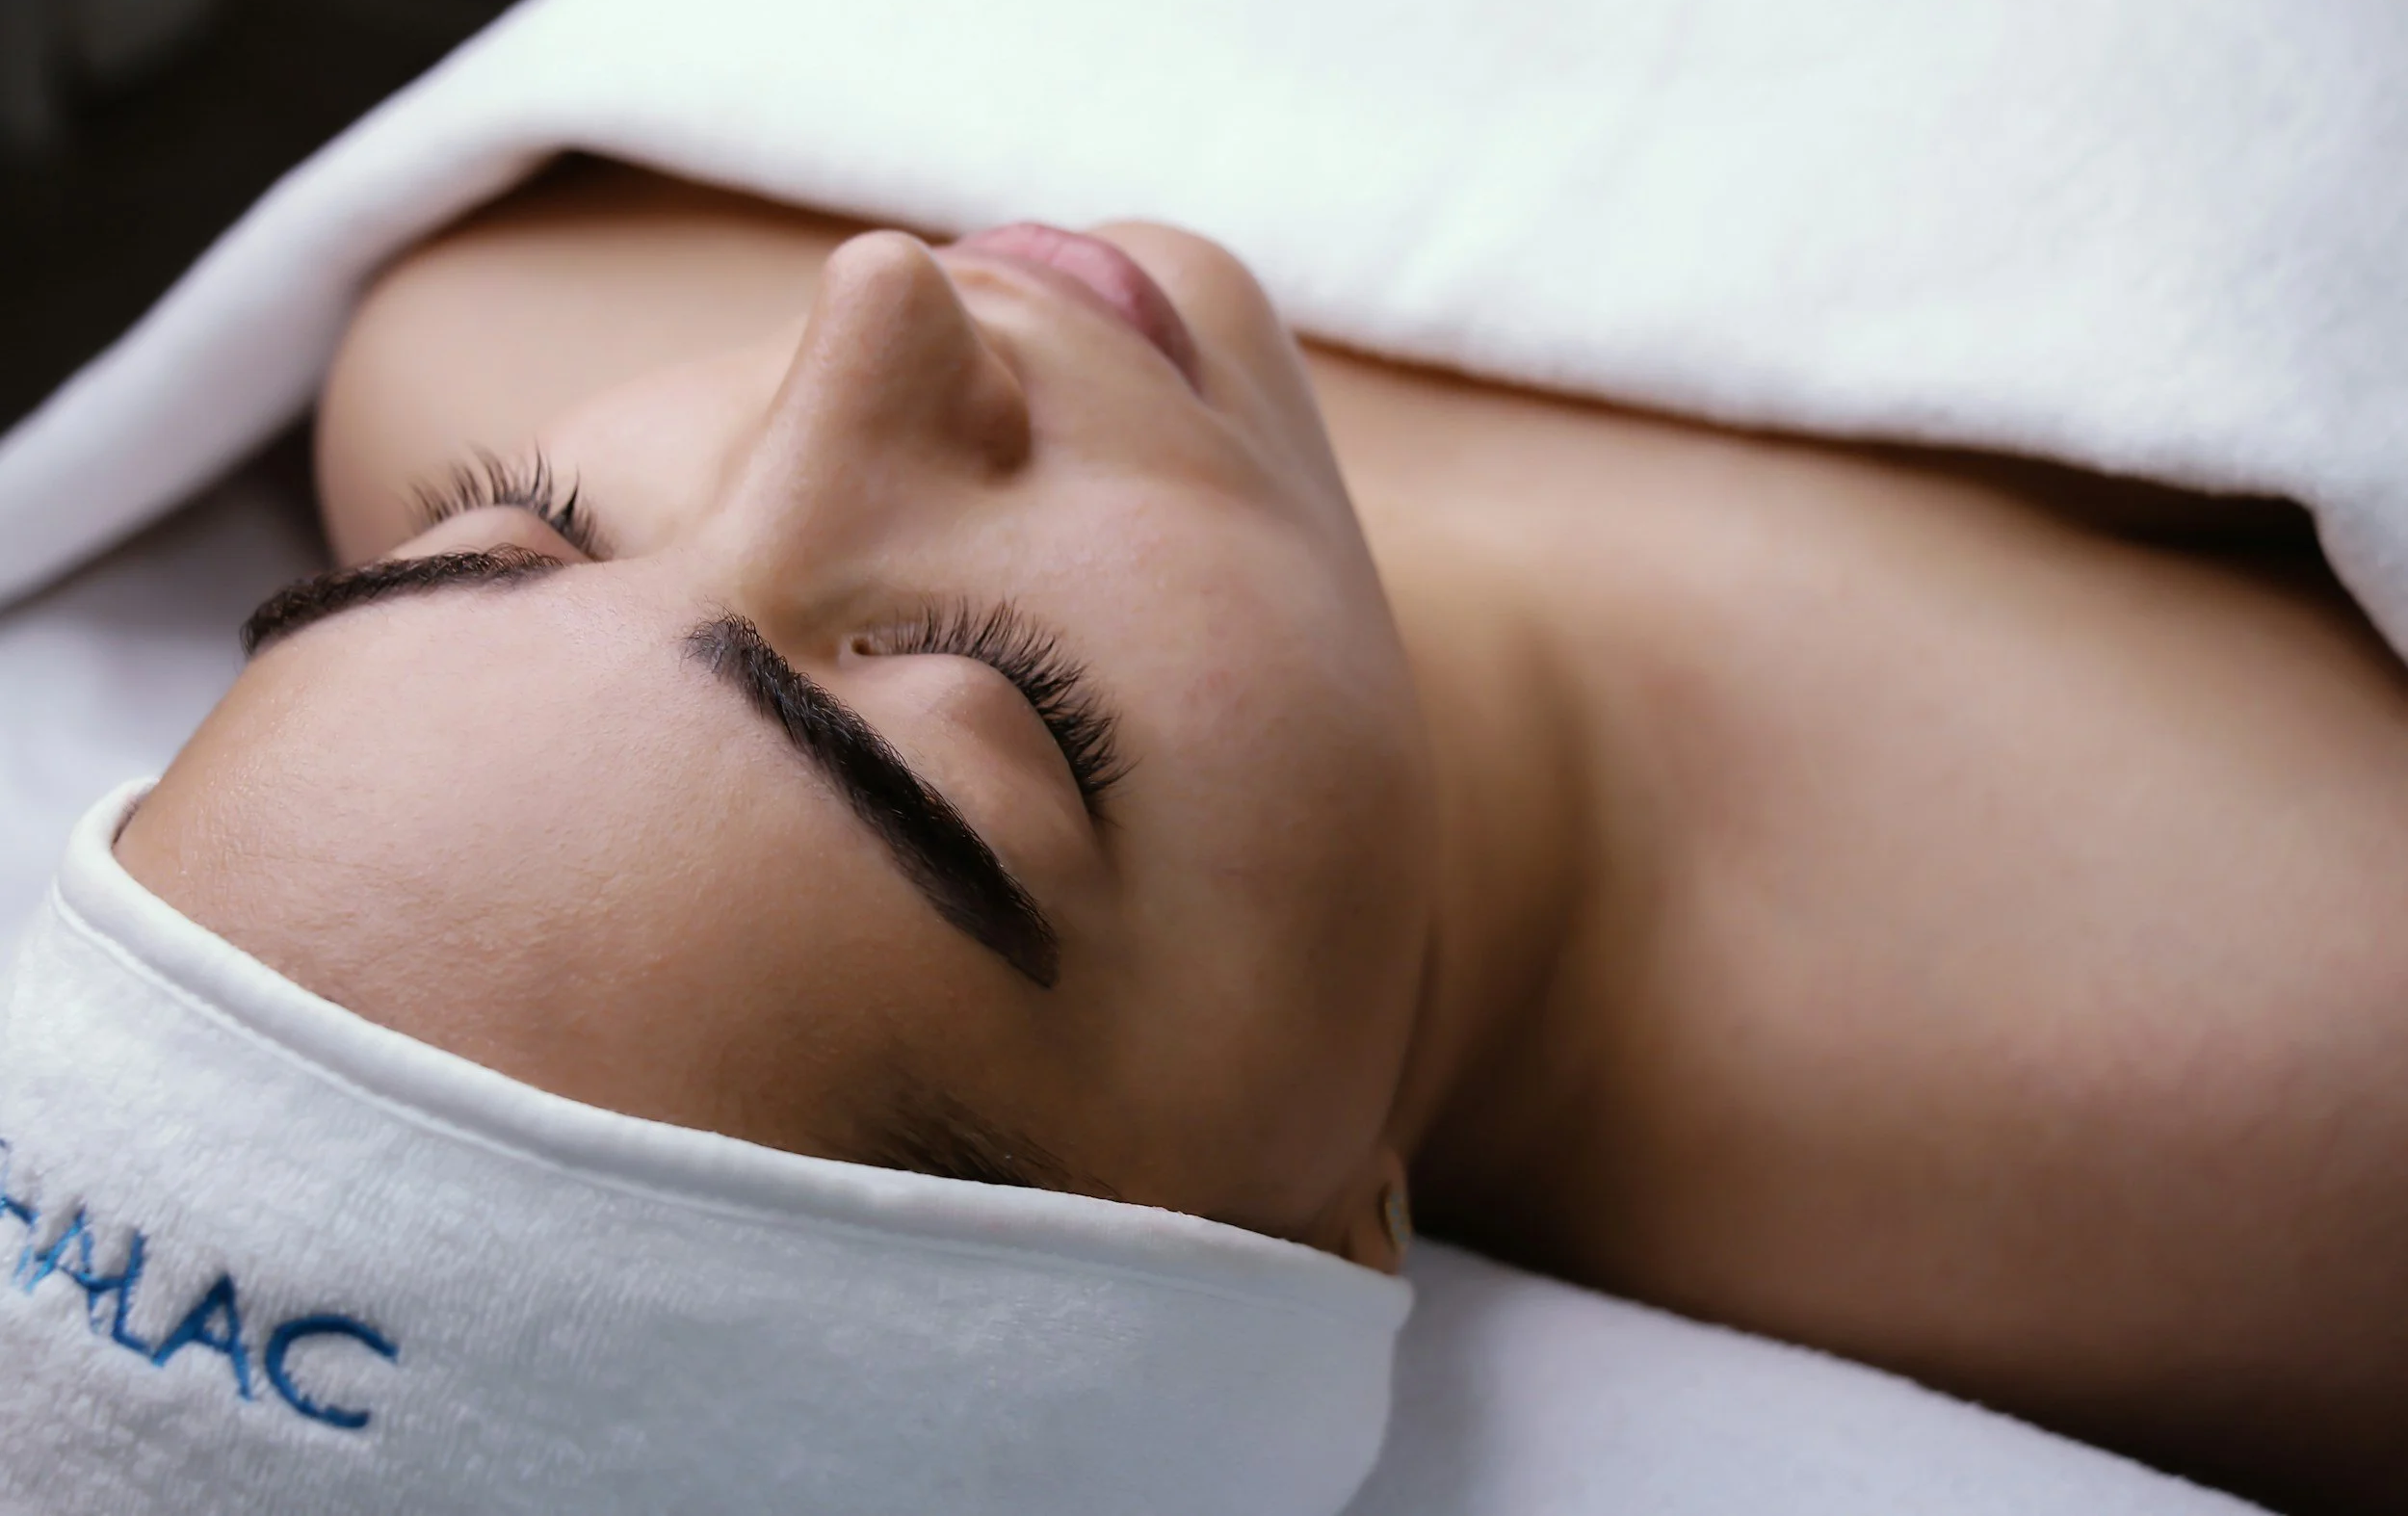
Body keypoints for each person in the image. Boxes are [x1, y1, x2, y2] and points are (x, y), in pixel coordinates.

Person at [115, 158, 2407, 1514]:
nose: (865, 315)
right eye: (974, 711)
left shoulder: (482, 327)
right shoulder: (2306, 1053)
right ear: (1330, 1221)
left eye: (512, 542)